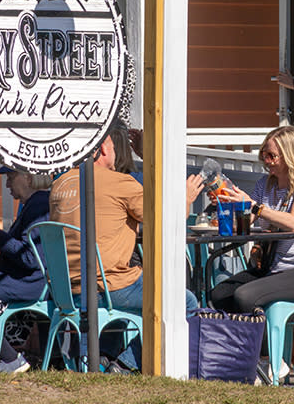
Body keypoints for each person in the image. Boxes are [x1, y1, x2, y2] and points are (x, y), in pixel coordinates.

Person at [49, 120, 199, 371]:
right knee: (185, 301)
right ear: (104, 148)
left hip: (66, 288)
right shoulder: (120, 183)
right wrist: (185, 199)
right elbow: (167, 222)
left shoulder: (60, 183)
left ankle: (105, 355)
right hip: (105, 286)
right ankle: (125, 364)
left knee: (129, 285)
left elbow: (103, 222)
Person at [209, 126, 294, 313]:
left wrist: (254, 206)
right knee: (220, 294)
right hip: (270, 267)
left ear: (291, 156)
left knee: (244, 296)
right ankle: (232, 340)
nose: (266, 161)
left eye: (272, 156)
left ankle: (256, 343)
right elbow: (243, 225)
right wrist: (227, 203)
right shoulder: (265, 183)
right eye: (264, 155)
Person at [0, 167, 52, 373]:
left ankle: (10, 359)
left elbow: (30, 257)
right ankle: (6, 357)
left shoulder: (39, 205)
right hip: (19, 279)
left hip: (25, 282)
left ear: (29, 178)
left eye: (11, 178)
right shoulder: (35, 204)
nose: (6, 185)